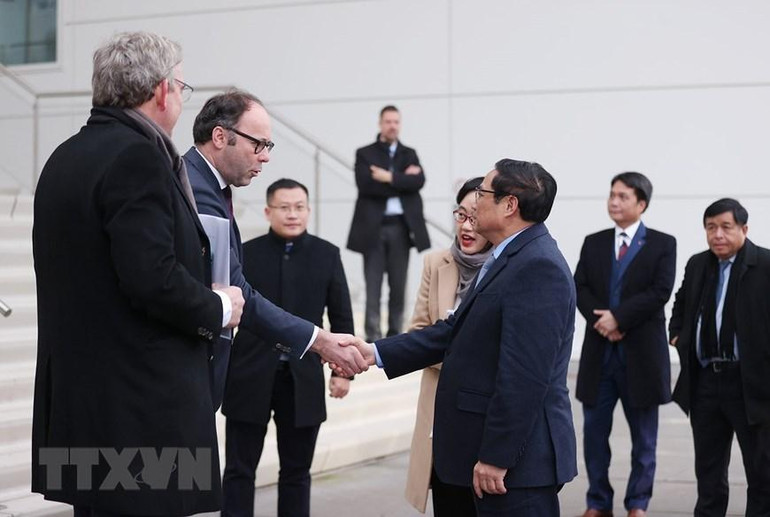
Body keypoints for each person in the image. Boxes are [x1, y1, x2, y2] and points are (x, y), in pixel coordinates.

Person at [31, 31, 244, 516]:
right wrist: (220, 305)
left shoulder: (63, 156)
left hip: (81, 408)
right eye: (182, 87)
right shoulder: (138, 156)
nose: (181, 99)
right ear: (161, 90)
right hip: (141, 413)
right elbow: (152, 278)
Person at [341, 159, 577, 516]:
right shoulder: (508, 256)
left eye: (482, 193)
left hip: (517, 467)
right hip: (489, 457)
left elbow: (524, 377)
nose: (474, 203)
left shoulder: (536, 266)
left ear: (509, 205)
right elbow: (453, 331)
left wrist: (497, 457)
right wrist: (373, 352)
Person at [183, 90, 367, 401]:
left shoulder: (209, 187)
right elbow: (236, 291)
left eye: (268, 146)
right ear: (219, 136)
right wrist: (320, 341)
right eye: (258, 144)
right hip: (187, 373)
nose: (265, 156)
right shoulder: (197, 191)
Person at [220, 179, 355, 517]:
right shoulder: (245, 253)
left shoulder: (326, 254)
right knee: (238, 470)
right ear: (268, 211)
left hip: (302, 377)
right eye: (284, 207)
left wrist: (343, 373)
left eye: (299, 207)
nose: (292, 214)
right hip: (249, 374)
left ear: (308, 211)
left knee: (296, 472)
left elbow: (341, 316)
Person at [573, 172, 676, 517]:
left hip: (642, 357)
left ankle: (638, 503)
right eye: (612, 195)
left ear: (641, 204)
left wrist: (618, 318)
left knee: (644, 440)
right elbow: (579, 287)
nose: (614, 202)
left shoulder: (663, 244)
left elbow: (660, 291)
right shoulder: (594, 242)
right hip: (599, 357)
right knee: (594, 436)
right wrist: (602, 322)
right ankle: (598, 501)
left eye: (623, 196)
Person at [669, 198, 770, 516]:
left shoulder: (765, 265)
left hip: (751, 385)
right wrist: (677, 335)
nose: (718, 235)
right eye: (711, 228)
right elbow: (680, 304)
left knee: (762, 474)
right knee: (709, 474)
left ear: (744, 229)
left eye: (726, 227)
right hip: (705, 384)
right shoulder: (698, 264)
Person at [405, 177, 492, 516]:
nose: (466, 226)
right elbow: (418, 332)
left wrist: (453, 355)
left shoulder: (506, 270)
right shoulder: (436, 263)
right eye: (461, 215)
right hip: (442, 415)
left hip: (485, 416)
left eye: (475, 217)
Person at [346, 105, 430, 342]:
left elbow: (419, 182)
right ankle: (372, 338)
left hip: (401, 228)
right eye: (388, 121)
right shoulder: (365, 153)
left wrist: (388, 177)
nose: (392, 126)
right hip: (372, 228)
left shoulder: (409, 153)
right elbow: (366, 185)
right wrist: (403, 181)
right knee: (373, 287)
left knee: (398, 286)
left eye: (396, 121)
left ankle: (395, 337)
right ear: (380, 124)